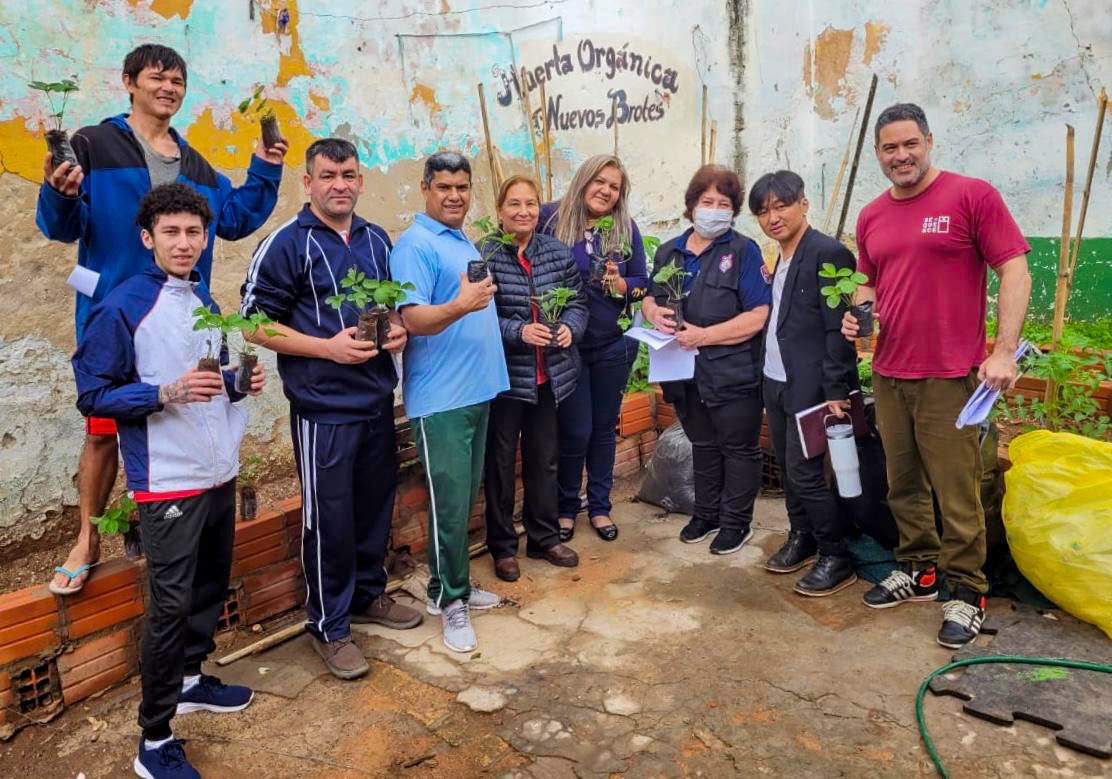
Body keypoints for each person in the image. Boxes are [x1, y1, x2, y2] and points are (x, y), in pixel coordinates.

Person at [36, 43, 286, 596]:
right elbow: (62, 225)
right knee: (103, 431)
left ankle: (170, 533)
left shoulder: (194, 162)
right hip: (117, 314)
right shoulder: (92, 145)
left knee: (184, 415)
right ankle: (87, 538)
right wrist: (57, 194)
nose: (168, 87)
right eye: (157, 77)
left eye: (177, 80)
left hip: (183, 318)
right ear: (129, 81)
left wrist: (266, 168)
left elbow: (236, 217)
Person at [72, 183, 265, 779]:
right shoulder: (125, 305)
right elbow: (94, 394)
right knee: (170, 605)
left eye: (194, 232)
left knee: (209, 586)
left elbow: (200, 378)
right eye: (172, 233)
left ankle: (189, 679)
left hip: (218, 471)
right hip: (168, 480)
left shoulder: (202, 296)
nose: (185, 243)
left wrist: (234, 384)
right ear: (147, 238)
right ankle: (152, 741)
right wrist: (164, 393)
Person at [842, 103, 1032, 648]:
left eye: (909, 144)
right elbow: (868, 281)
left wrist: (1004, 349)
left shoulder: (972, 196)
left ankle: (968, 592)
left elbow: (1013, 267)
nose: (900, 156)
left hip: (950, 374)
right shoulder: (873, 214)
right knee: (902, 484)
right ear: (878, 153)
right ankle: (921, 570)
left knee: (957, 489)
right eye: (889, 148)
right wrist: (857, 315)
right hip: (889, 370)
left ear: (928, 141)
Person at [239, 138, 421, 680]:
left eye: (348, 174)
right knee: (329, 519)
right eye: (328, 175)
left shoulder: (375, 239)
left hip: (375, 400)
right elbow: (253, 322)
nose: (339, 184)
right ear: (308, 182)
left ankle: (368, 594)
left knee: (373, 506)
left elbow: (390, 310)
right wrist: (326, 348)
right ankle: (328, 625)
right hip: (323, 410)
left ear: (360, 181)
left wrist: (397, 331)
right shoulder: (287, 244)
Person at [390, 152, 510, 653]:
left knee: (462, 501)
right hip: (441, 400)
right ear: (425, 189)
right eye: (444, 187)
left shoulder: (459, 238)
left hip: (477, 392)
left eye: (462, 187)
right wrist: (462, 305)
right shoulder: (414, 245)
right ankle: (450, 601)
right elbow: (413, 318)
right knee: (448, 505)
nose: (455, 195)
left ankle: (449, 586)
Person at [642, 165, 770, 555]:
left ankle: (736, 522)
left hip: (732, 370)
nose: (714, 210)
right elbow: (651, 295)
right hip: (683, 371)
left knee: (738, 447)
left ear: (733, 212)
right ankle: (707, 513)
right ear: (691, 205)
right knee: (703, 442)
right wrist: (652, 313)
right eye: (707, 202)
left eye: (724, 204)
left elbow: (758, 314)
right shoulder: (670, 252)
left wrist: (705, 336)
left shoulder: (743, 251)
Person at [749, 170, 859, 596]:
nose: (773, 217)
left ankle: (836, 556)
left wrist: (835, 391)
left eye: (781, 206)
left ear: (803, 204)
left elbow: (839, 331)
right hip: (776, 380)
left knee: (805, 472)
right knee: (788, 468)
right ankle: (802, 536)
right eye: (763, 211)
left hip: (812, 388)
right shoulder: (781, 256)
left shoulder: (828, 253)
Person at [480, 175, 587, 582]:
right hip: (505, 379)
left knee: (545, 460)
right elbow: (478, 315)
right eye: (514, 204)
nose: (523, 212)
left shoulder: (556, 253)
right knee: (501, 465)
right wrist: (518, 331)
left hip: (547, 377)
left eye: (530, 204)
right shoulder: (485, 254)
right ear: (500, 211)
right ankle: (503, 547)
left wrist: (570, 329)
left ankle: (543, 538)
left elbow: (576, 302)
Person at [538, 155, 648, 542]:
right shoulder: (550, 219)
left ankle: (599, 507)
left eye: (614, 186)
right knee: (575, 430)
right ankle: (567, 507)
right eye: (599, 181)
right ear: (584, 180)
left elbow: (642, 285)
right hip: (567, 346)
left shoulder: (623, 229)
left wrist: (621, 285)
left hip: (612, 345)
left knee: (603, 429)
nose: (605, 190)